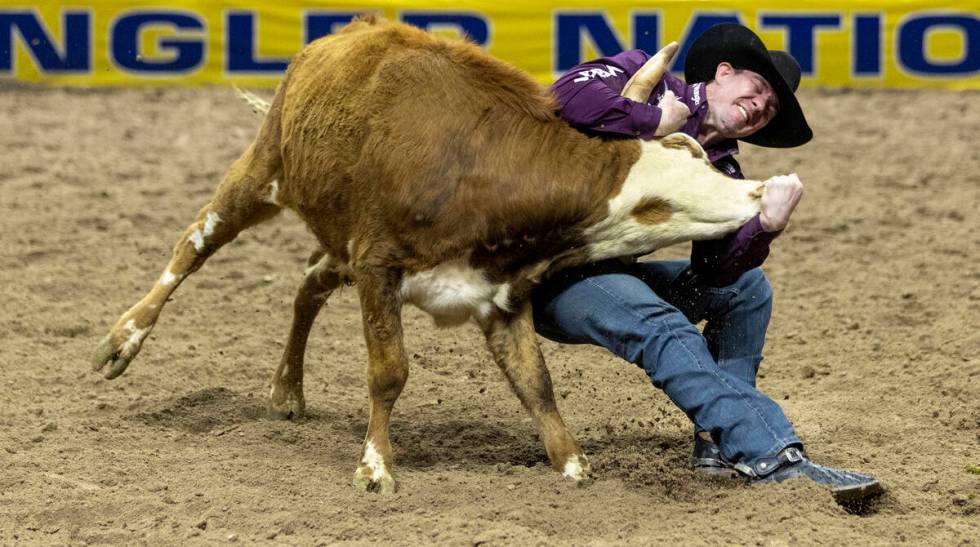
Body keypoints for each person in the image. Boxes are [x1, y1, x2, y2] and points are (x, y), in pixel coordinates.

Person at [532, 24, 883, 505]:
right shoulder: (643, 75)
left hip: (607, 273)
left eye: (769, 109)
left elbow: (716, 271)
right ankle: (770, 454)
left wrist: (764, 227)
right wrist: (649, 122)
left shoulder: (723, 168)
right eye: (758, 89)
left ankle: (719, 444)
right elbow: (567, 97)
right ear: (723, 72)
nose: (760, 105)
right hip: (544, 272)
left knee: (747, 288)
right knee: (665, 328)